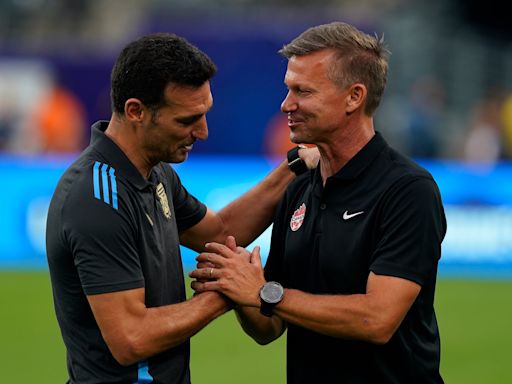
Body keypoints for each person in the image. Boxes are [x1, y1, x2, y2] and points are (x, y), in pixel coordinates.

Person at [45, 32, 318, 384]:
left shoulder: (155, 172)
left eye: (204, 114)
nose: (202, 132)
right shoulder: (96, 199)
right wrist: (225, 293)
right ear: (135, 112)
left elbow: (220, 233)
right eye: (187, 120)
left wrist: (294, 166)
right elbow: (131, 339)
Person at [191, 21, 447, 383]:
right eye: (288, 89)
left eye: (303, 91)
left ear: (354, 97)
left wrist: (263, 292)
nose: (286, 105)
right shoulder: (298, 189)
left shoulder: (408, 190)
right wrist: (237, 286)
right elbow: (269, 325)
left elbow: (376, 320)